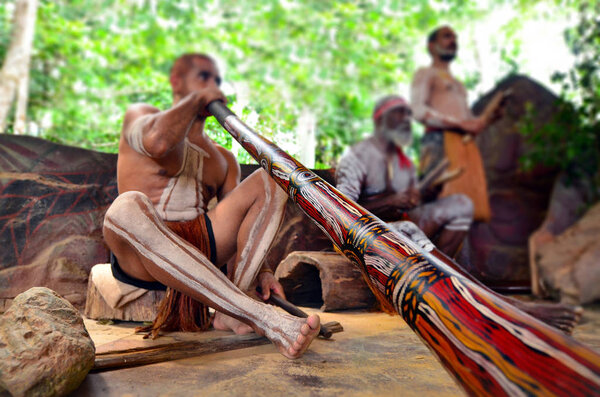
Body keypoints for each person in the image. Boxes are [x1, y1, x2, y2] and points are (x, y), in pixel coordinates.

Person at [102, 53, 319, 358]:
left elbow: (245, 224)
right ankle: (260, 317)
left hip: (203, 244)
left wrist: (264, 271)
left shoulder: (223, 159)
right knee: (125, 206)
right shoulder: (141, 117)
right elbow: (158, 144)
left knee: (272, 178)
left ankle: (232, 311)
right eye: (204, 77)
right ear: (176, 81)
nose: (213, 86)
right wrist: (198, 100)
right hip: (140, 254)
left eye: (217, 81)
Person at [336, 95, 473, 258]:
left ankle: (439, 267)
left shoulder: (403, 162)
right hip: (366, 233)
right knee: (408, 229)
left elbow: (412, 200)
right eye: (399, 113)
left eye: (408, 114)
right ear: (380, 120)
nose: (407, 119)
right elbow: (341, 213)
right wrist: (390, 201)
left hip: (403, 223)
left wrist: (427, 192)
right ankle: (433, 272)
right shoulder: (356, 157)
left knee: (462, 205)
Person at [411, 25, 505, 222]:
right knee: (435, 206)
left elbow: (471, 123)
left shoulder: (460, 85)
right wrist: (461, 124)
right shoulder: (426, 73)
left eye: (455, 37)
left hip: (465, 146)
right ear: (431, 46)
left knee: (467, 212)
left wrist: (489, 118)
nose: (453, 41)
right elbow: (418, 110)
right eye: (446, 37)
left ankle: (453, 253)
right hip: (438, 142)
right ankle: (424, 252)